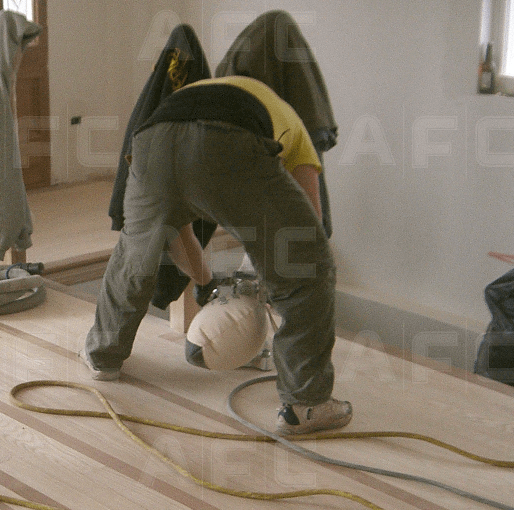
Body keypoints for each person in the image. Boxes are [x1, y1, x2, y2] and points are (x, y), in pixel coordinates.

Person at [82, 74, 352, 436]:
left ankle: (102, 355)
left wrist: (206, 283)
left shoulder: (222, 89)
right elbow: (306, 234)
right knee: (309, 264)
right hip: (227, 139)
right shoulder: (296, 131)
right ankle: (307, 404)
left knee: (134, 256)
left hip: (151, 140)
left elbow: (175, 232)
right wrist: (269, 286)